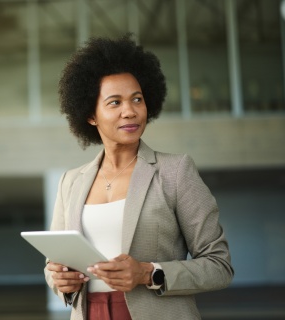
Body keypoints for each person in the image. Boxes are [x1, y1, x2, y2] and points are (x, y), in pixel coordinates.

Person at [44, 34, 234, 320]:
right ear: (90, 115)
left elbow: (219, 266)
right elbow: (53, 265)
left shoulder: (175, 172)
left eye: (137, 99)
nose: (130, 111)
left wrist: (149, 273)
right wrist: (60, 281)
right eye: (114, 103)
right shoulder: (70, 182)